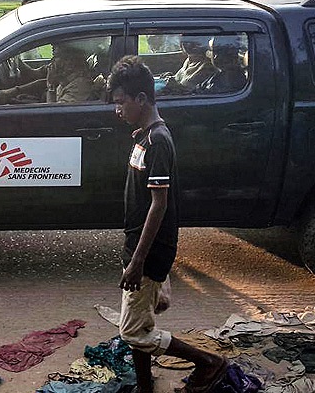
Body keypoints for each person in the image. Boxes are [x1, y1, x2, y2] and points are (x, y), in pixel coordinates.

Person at [106, 56, 228, 393]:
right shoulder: (146, 136)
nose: (117, 109)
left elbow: (158, 206)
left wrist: (138, 261)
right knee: (141, 323)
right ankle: (146, 386)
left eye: (121, 102)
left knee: (132, 331)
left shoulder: (158, 141)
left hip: (147, 252)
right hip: (139, 246)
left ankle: (208, 362)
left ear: (141, 99)